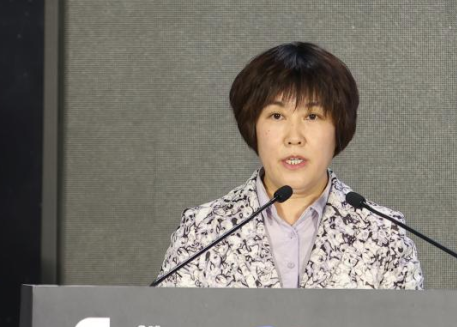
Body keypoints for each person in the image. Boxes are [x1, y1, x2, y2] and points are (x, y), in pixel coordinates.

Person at [155, 42, 423, 289]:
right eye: (276, 115)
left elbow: (409, 324)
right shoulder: (202, 231)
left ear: (339, 127)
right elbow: (168, 321)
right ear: (252, 125)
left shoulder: (384, 233)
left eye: (312, 116)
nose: (294, 137)